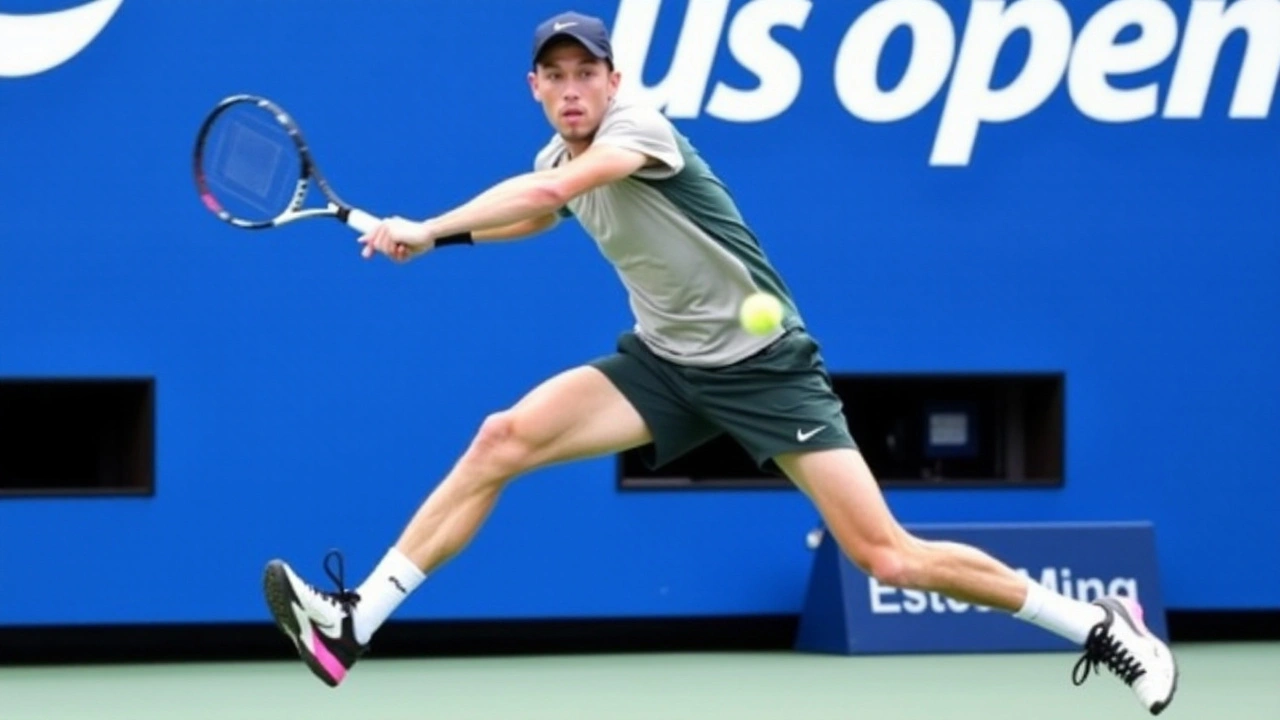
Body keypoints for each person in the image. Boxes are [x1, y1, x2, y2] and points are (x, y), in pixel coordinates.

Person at [261, 9, 1178, 714]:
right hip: (664, 365)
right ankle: (356, 620)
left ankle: (1099, 625)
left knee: (887, 557)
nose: (574, 88)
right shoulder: (558, 148)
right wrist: (443, 245)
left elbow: (549, 191)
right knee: (502, 438)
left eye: (589, 73)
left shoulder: (641, 132)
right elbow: (540, 212)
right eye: (557, 75)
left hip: (766, 369)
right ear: (535, 87)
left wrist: (424, 222)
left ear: (616, 80)